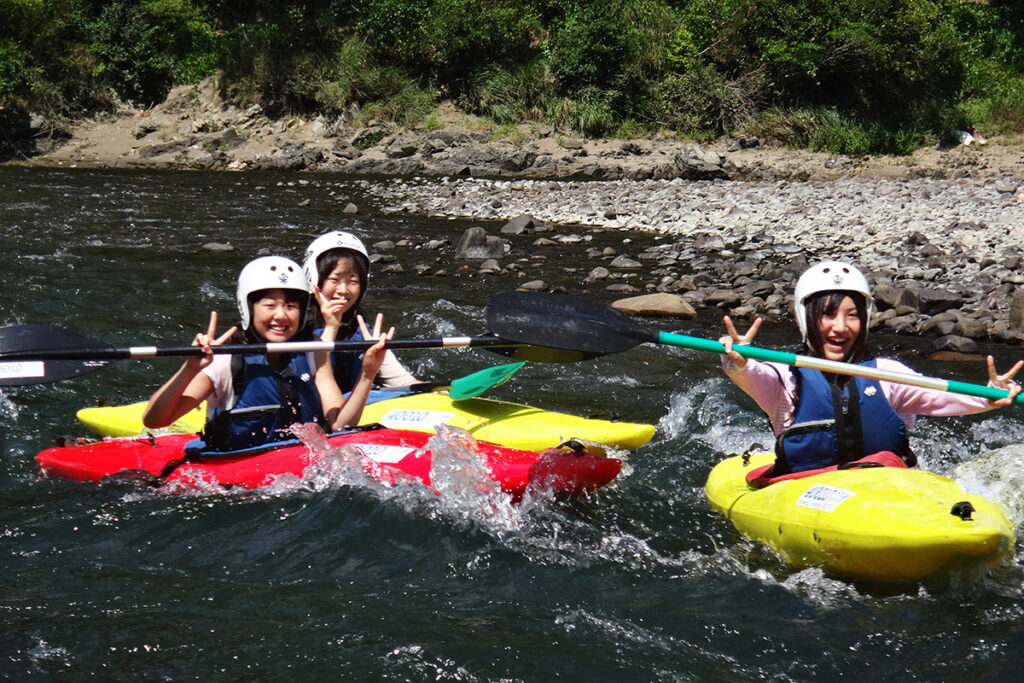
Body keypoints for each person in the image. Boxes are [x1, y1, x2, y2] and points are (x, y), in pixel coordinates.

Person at [719, 260, 1023, 476]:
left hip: (882, 487)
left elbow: (942, 396)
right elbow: (749, 373)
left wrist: (988, 395)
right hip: (804, 487)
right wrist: (738, 357)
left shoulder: (887, 374)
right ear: (805, 318)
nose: (841, 327)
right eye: (828, 315)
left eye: (852, 315)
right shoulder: (785, 378)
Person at [142, 255, 393, 450]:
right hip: (237, 480)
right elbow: (154, 420)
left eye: (291, 306)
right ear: (248, 307)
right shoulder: (225, 360)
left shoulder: (311, 350)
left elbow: (341, 424)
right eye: (270, 305)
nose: (281, 316)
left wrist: (368, 373)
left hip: (298, 472)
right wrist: (191, 368)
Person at [302, 231, 418, 392]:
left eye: (353, 281)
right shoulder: (296, 329)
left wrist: (435, 392)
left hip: (350, 412)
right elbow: (313, 377)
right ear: (314, 279)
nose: (343, 290)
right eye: (334, 280)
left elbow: (403, 382)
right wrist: (331, 327)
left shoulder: (363, 332)